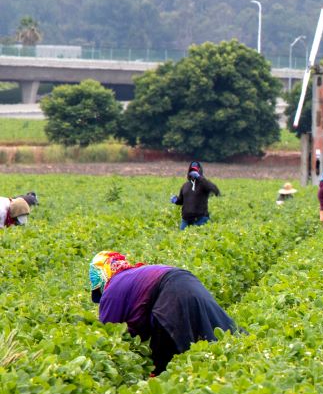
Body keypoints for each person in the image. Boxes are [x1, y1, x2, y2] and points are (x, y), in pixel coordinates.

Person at [89, 251, 239, 376]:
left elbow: (111, 333)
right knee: (215, 332)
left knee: (166, 364)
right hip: (187, 280)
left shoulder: (112, 289)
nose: (101, 293)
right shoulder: (134, 273)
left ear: (102, 275)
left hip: (170, 293)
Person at [171, 161, 220, 230]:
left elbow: (215, 190)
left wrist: (199, 178)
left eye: (196, 170)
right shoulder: (185, 186)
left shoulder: (203, 184)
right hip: (186, 220)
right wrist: (176, 200)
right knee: (180, 238)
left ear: (199, 171)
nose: (193, 172)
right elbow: (181, 201)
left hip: (200, 219)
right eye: (192, 170)